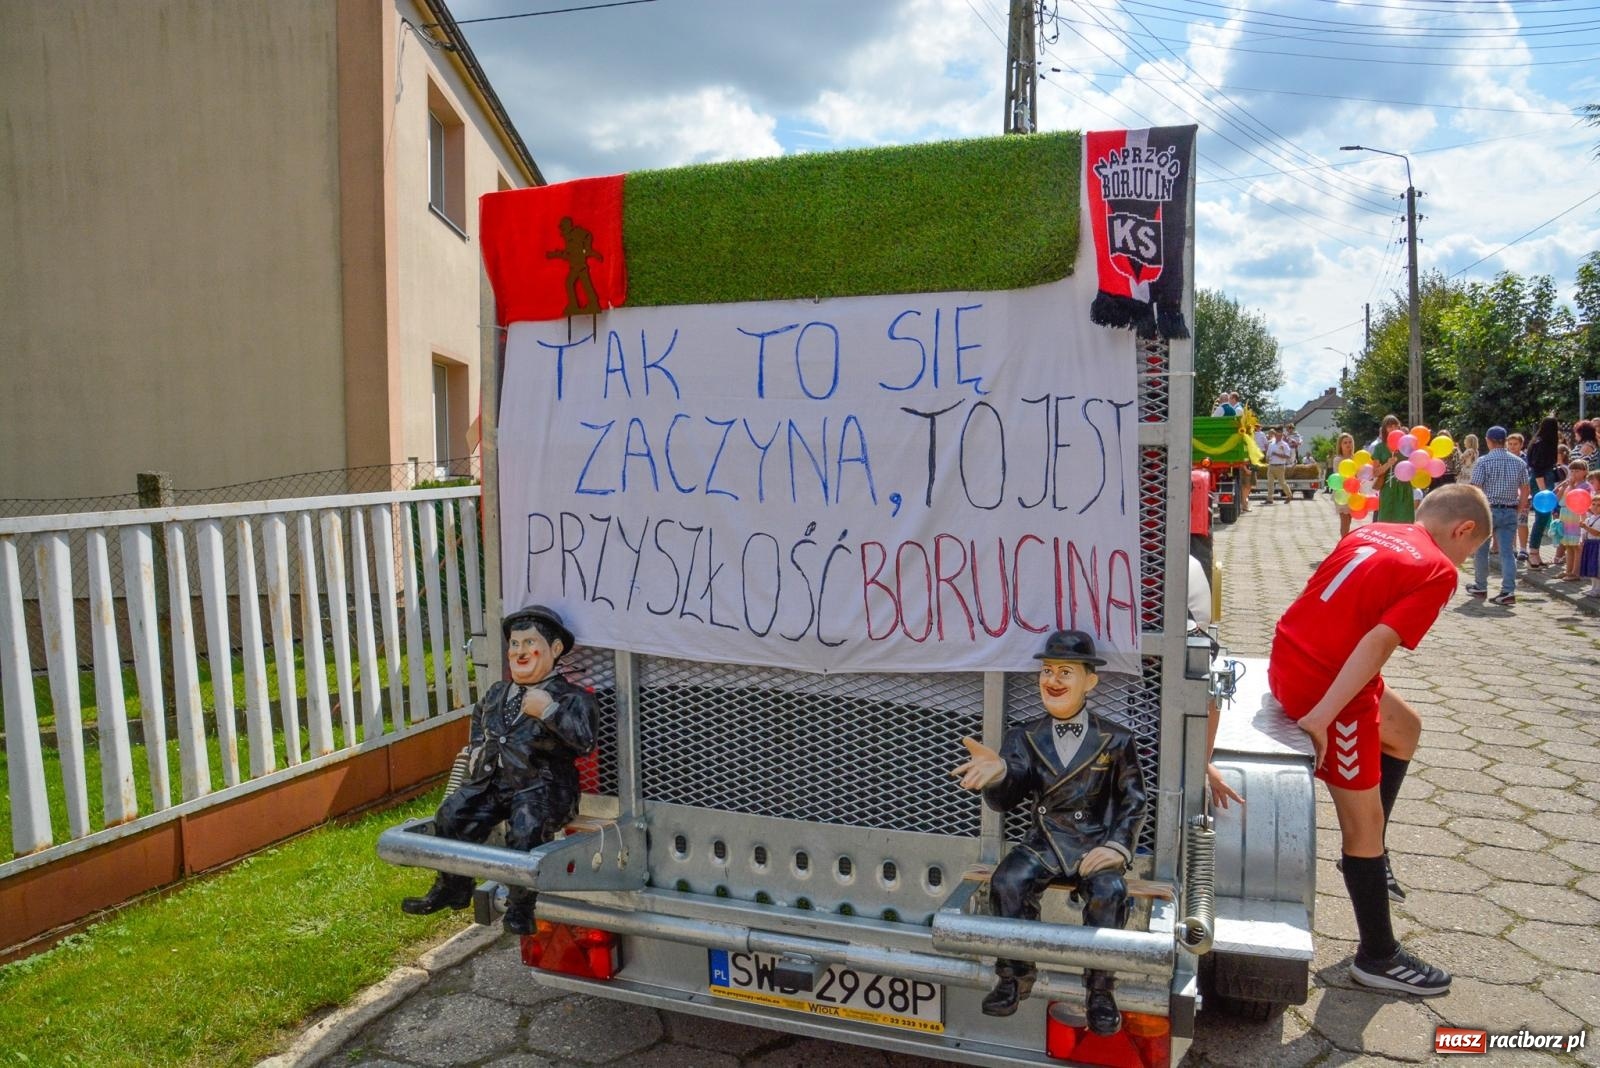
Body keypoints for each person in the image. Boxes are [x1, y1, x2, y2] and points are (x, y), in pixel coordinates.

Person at [1269, 484, 1490, 997]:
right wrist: (1323, 716)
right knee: (1361, 827)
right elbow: (1378, 643)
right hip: (1328, 690)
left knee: (1405, 727)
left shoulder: (1376, 531)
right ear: (1463, 531)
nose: (1465, 557)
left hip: (1290, 658)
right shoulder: (1439, 570)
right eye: (1472, 548)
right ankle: (1377, 955)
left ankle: (1374, 857)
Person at [951, 630, 1147, 1032]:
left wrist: (1118, 847)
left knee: (1110, 892)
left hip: (1093, 844)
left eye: (1065, 672)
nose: (1053, 680)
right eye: (1047, 671)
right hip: (1044, 842)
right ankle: (1014, 976)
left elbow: (1133, 800)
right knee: (1008, 881)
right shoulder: (1024, 736)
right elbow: (1008, 798)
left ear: (1090, 681)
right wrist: (1001, 773)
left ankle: (1100, 987)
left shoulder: (1116, 739)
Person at [401, 605, 599, 933]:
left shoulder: (570, 698)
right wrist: (478, 747)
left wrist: (548, 711)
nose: (520, 652)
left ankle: (521, 906)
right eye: (515, 644)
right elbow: (480, 719)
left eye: (529, 643)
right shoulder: (497, 692)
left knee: (525, 831)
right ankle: (454, 887)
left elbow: (585, 741)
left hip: (541, 786)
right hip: (492, 781)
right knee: (452, 815)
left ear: (555, 649)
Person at [1467, 426, 1531, 607]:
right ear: (1504, 441)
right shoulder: (1518, 462)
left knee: (1481, 550)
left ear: (1488, 440)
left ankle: (1480, 586)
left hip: (1488, 509)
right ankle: (1508, 591)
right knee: (1507, 553)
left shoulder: (1484, 461)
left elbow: (1476, 487)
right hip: (1510, 509)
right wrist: (1519, 507)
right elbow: (1525, 488)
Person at [1525, 417, 1562, 568]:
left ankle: (1536, 552)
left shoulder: (1538, 442)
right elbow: (1538, 467)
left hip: (1543, 478)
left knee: (1543, 517)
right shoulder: (1543, 444)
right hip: (1541, 480)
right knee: (1541, 517)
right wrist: (1543, 491)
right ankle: (1533, 552)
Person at [1370, 414, 1416, 524]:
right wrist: (1387, 464)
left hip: (1404, 489)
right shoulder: (1379, 448)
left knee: (1404, 522)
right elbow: (1375, 472)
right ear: (1385, 429)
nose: (1393, 429)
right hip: (1387, 489)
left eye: (1396, 426)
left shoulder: (1407, 446)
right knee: (1386, 522)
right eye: (1390, 426)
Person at [1554, 458, 1589, 580]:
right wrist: (1563, 487)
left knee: (1576, 546)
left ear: (1585, 472)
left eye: (1577, 471)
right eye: (1572, 471)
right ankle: (1568, 570)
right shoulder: (1568, 485)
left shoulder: (1585, 486)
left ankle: (1576, 572)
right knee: (1568, 545)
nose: (1573, 474)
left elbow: (1579, 501)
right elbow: (1557, 499)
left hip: (1576, 517)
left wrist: (1572, 486)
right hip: (1566, 517)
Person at [1506, 432, 1532, 563]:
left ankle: (1523, 549)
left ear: (1521, 445)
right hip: (1508, 494)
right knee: (1510, 523)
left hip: (1523, 494)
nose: (1512, 446)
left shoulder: (1526, 459)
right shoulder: (1504, 458)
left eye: (1515, 444)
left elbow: (1529, 479)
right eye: (1510, 444)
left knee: (1522, 521)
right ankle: (1512, 548)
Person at [1331, 432, 1357, 539]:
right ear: (1340, 445)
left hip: (1353, 493)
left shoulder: (1355, 458)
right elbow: (1341, 476)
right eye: (1345, 442)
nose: (1348, 445)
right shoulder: (1338, 459)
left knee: (1349, 520)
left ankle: (1345, 541)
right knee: (1344, 521)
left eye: (1350, 442)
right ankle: (1343, 542)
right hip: (1342, 493)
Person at [1579, 472, 1600, 598]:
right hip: (1589, 544)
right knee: (1591, 567)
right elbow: (1584, 531)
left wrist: (1586, 527)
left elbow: (1597, 532)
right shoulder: (1590, 518)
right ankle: (1593, 587)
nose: (1596, 507)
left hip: (1597, 545)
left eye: (1599, 506)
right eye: (1594, 505)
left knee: (1597, 567)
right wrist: (1582, 539)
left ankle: (1598, 589)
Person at [1265, 428, 1295, 505]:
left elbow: (1288, 456)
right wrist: (1267, 459)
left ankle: (1289, 495)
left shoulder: (1284, 445)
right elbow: (1268, 454)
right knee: (1270, 483)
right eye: (1277, 435)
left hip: (1280, 466)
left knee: (1282, 482)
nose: (1279, 437)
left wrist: (1277, 454)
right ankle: (1270, 499)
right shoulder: (1271, 444)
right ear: (1275, 435)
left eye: (1280, 435)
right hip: (1271, 465)